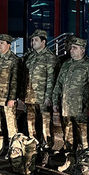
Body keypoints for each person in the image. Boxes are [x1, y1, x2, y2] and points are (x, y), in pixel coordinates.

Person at [52, 37, 89, 173]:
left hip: (81, 110)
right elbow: (59, 84)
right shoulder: (66, 64)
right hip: (66, 108)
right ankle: (70, 161)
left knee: (84, 140)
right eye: (71, 47)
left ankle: (85, 166)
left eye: (75, 48)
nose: (71, 50)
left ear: (82, 50)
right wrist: (55, 101)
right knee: (68, 137)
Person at [21, 29, 59, 157]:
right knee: (30, 124)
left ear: (43, 42)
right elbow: (25, 77)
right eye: (32, 40)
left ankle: (46, 151)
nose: (33, 42)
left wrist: (48, 97)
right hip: (30, 96)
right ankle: (33, 149)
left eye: (36, 40)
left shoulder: (50, 57)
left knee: (45, 126)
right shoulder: (30, 57)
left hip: (43, 98)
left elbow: (51, 79)